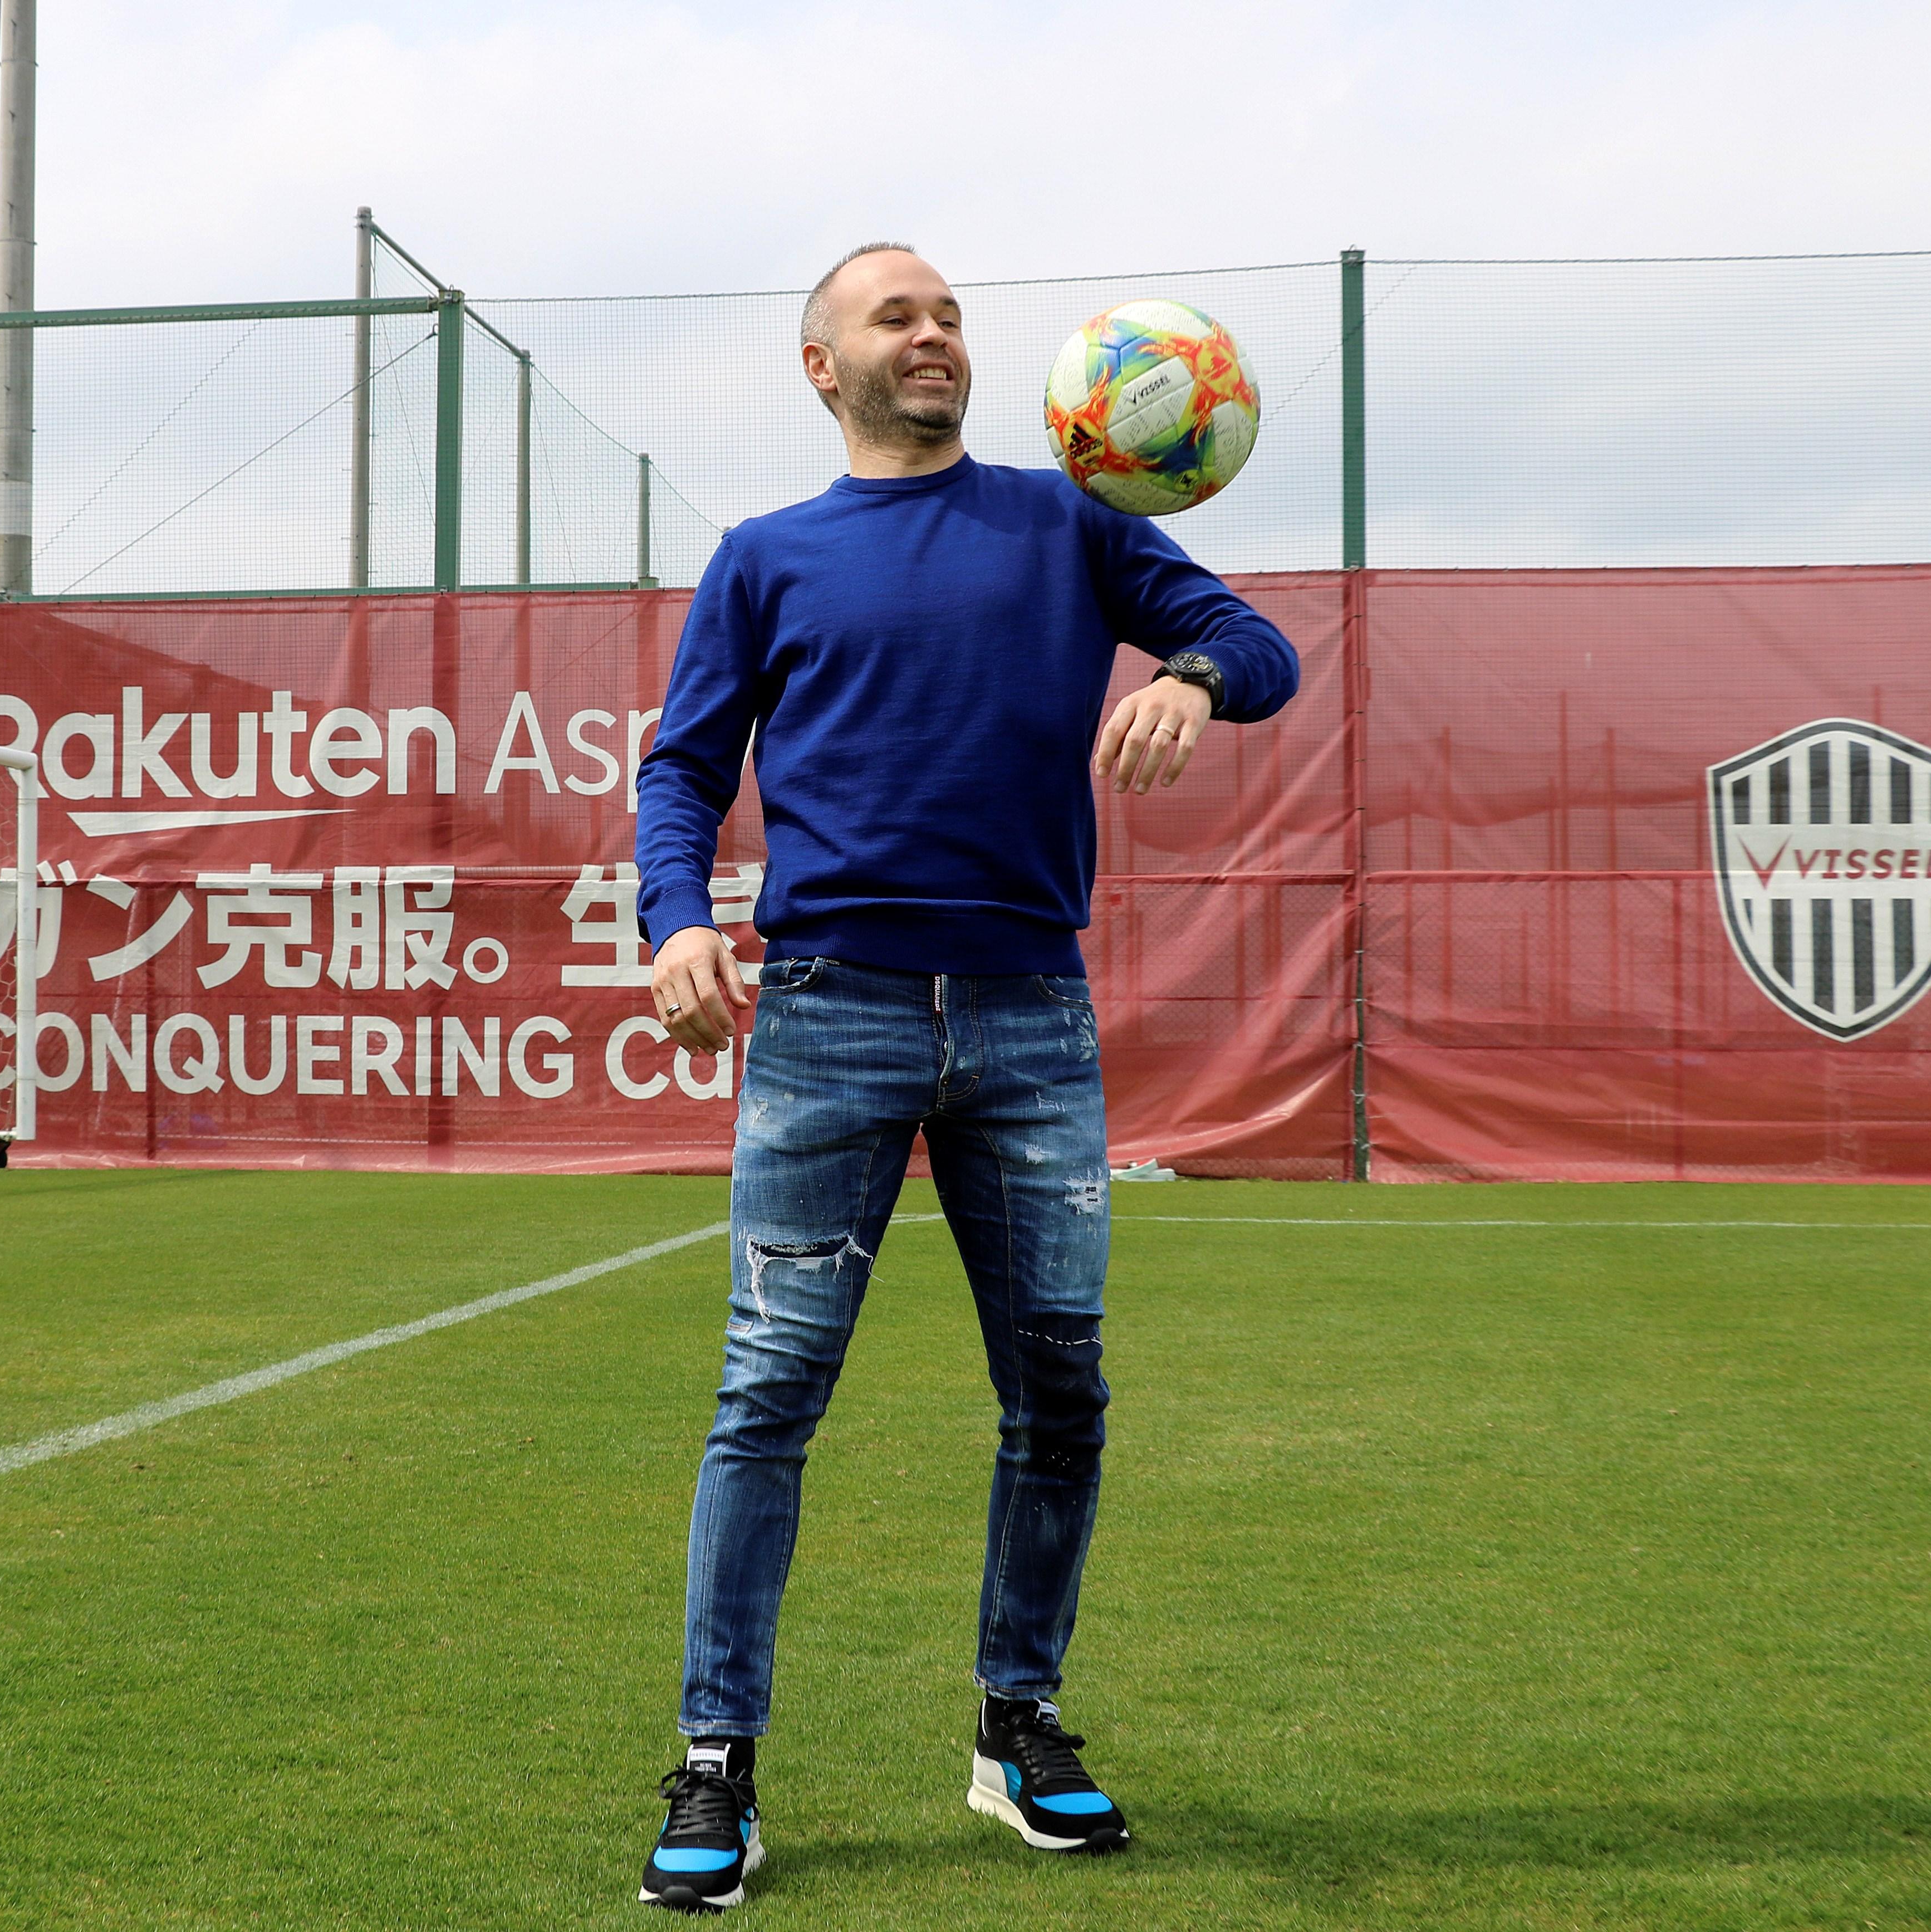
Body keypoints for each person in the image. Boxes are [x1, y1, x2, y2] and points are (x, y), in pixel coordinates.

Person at [628, 243, 1301, 1914]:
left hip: (1026, 1021)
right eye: (893, 317)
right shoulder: (764, 560)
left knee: (1060, 1393)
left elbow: (1258, 644)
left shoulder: (1072, 523)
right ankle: (719, 1759)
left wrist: (1194, 678)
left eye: (947, 317)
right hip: (826, 1018)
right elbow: (684, 769)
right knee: (767, 1397)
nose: (931, 335)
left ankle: (1021, 1727)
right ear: (821, 368)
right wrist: (670, 923)